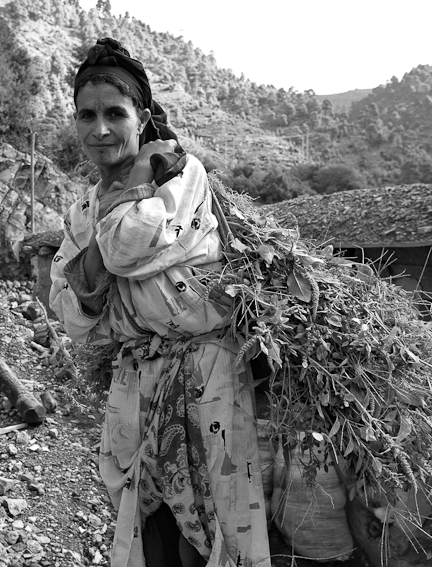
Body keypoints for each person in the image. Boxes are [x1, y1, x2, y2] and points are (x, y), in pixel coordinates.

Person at [49, 38, 271, 567]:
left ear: (143, 117)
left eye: (115, 114)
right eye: (86, 115)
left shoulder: (181, 173)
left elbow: (127, 248)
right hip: (137, 374)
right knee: (145, 517)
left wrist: (96, 262)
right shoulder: (82, 209)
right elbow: (72, 316)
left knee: (216, 517)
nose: (100, 129)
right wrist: (100, 253)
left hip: (206, 369)